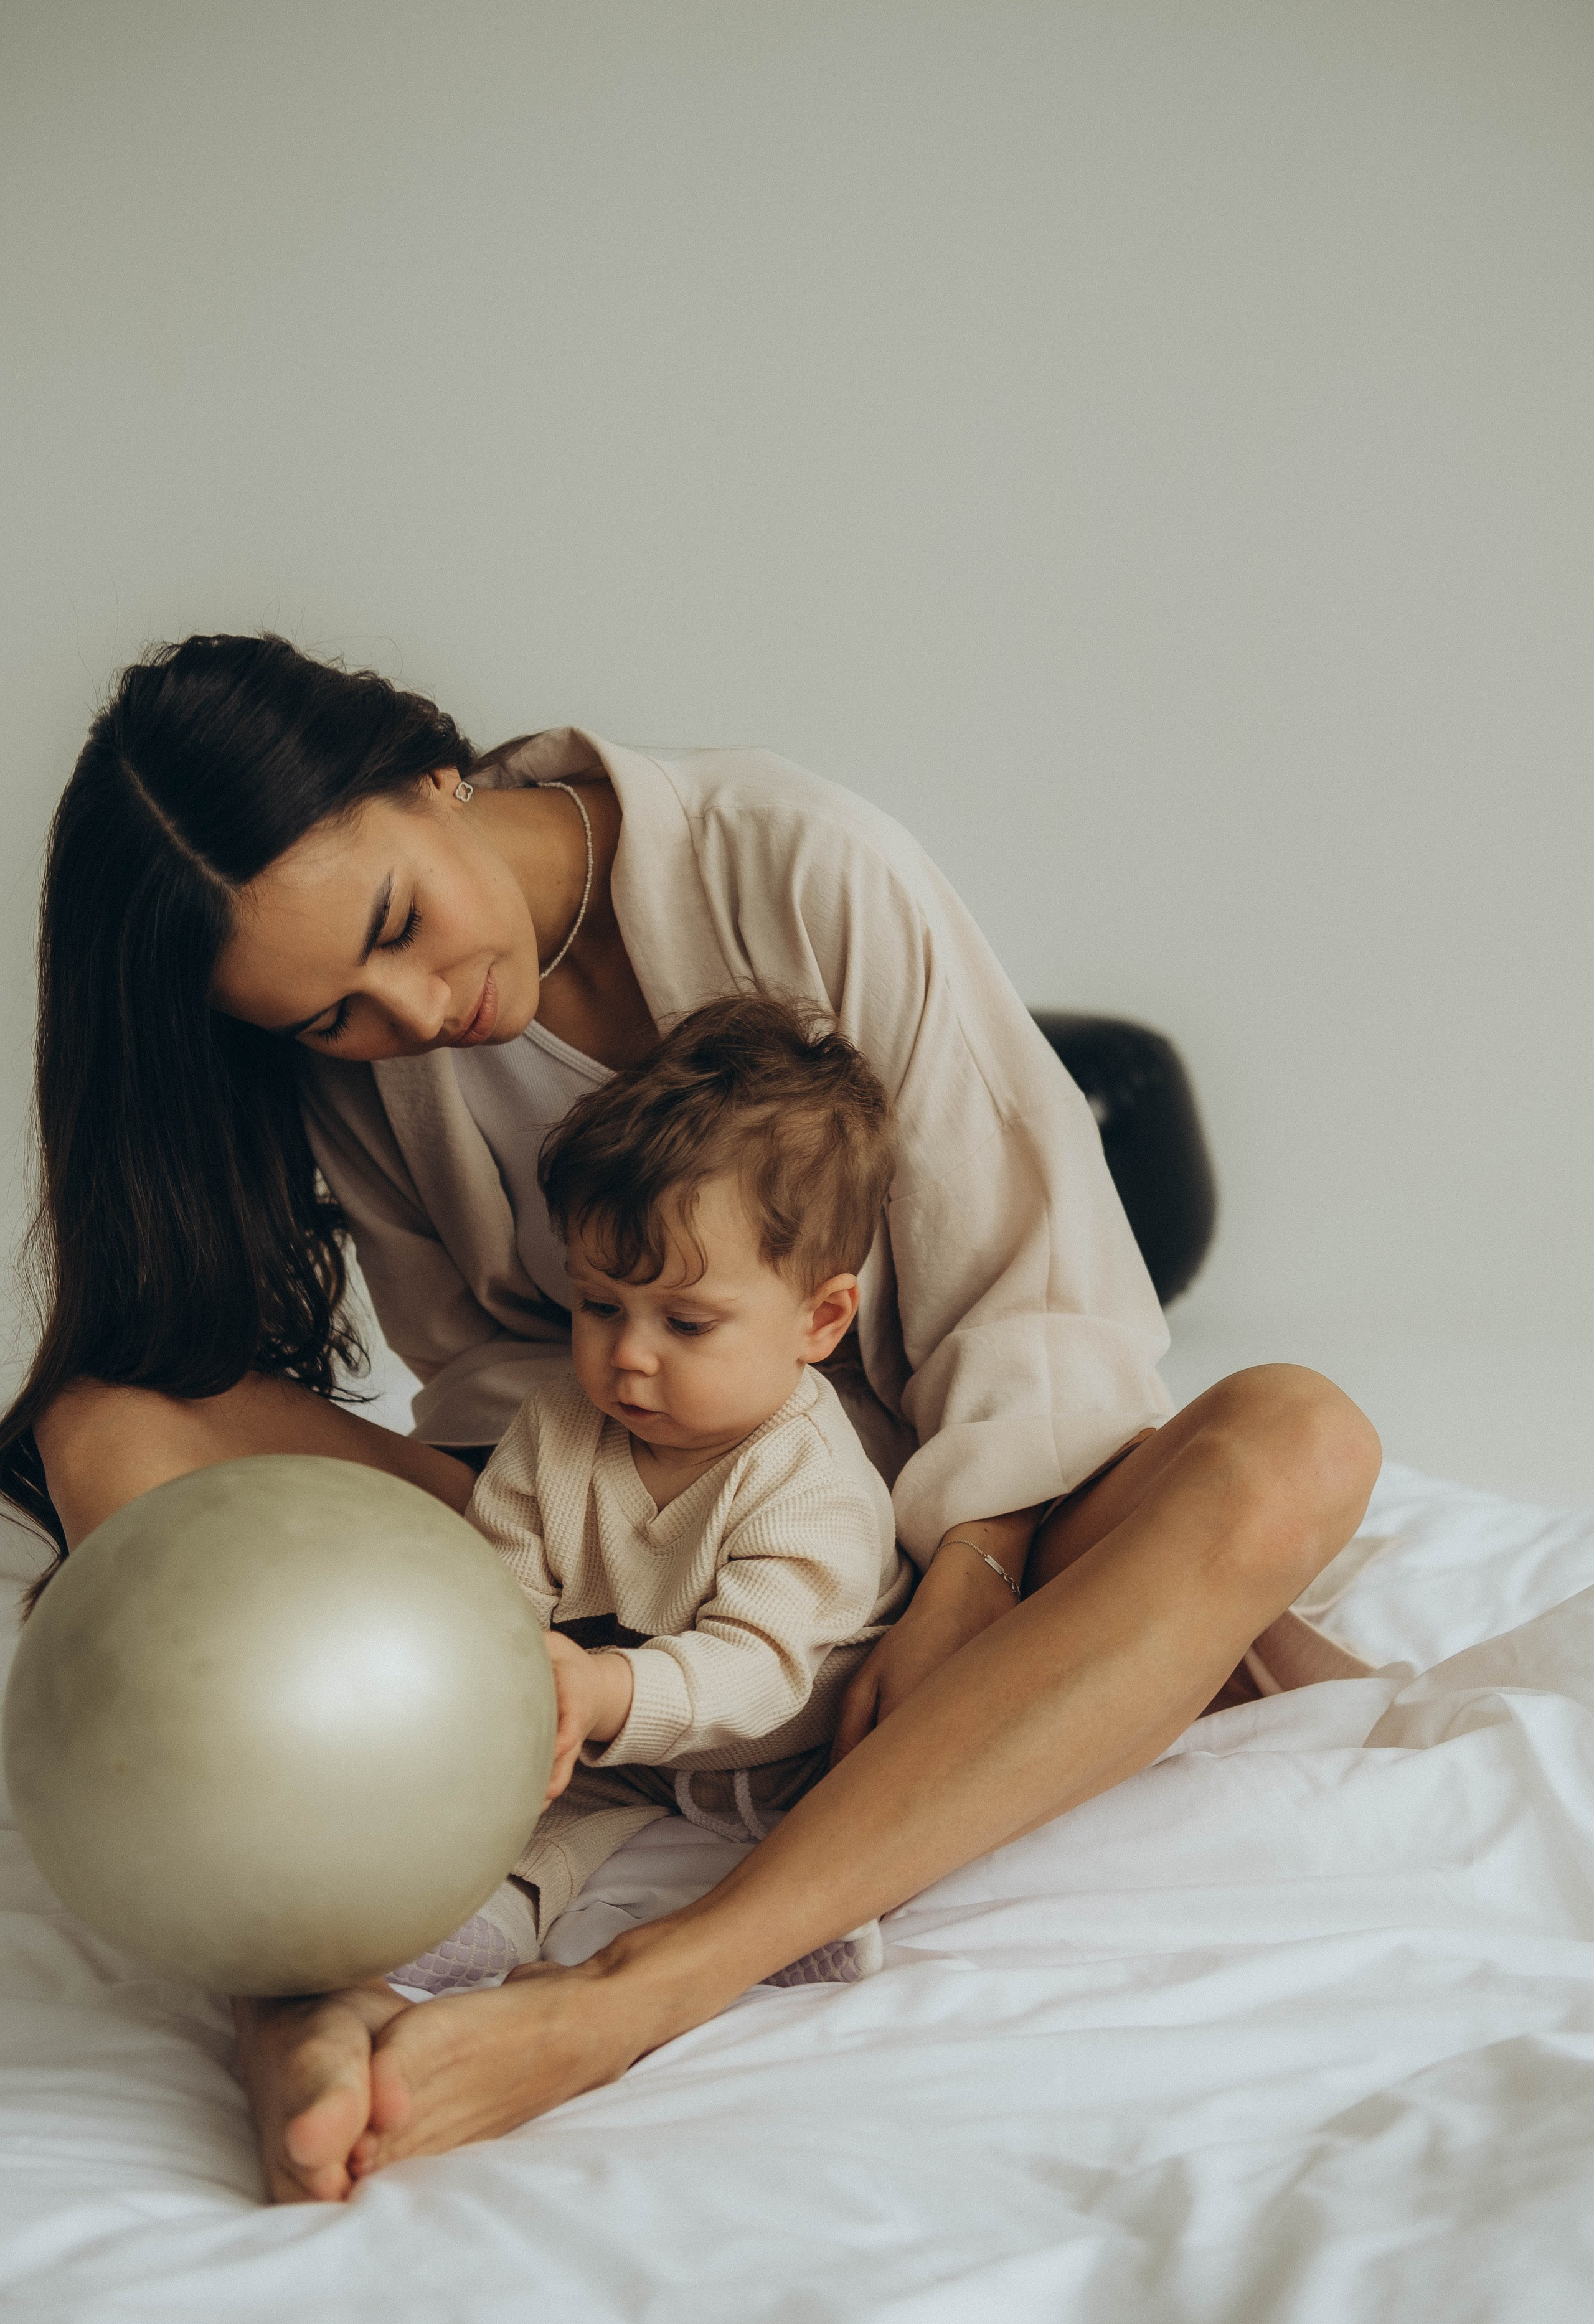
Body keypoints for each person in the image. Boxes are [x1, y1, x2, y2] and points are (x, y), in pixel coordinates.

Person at [2, 633, 1380, 2203]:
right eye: (329, 1017)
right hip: (615, 1525)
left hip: (952, 1528)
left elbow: (1029, 1292)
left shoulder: (798, 865)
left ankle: (641, 1991)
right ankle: (302, 1988)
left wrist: (968, 1576)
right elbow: (485, 1376)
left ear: (429, 771)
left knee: (1295, 1438)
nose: (411, 1011)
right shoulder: (368, 1063)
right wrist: (576, 1630)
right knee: (108, 1426)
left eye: (396, 926)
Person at [393, 994, 910, 1996]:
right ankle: (490, 1910)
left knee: (872, 1803)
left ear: (821, 1318)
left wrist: (605, 1691)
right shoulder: (556, 1429)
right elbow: (503, 1584)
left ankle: (791, 1917)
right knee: (522, 1795)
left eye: (686, 1322)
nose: (627, 1356)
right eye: (599, 1304)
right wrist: (518, 1693)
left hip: (798, 1739)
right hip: (622, 1730)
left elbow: (760, 1668)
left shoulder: (808, 1478)